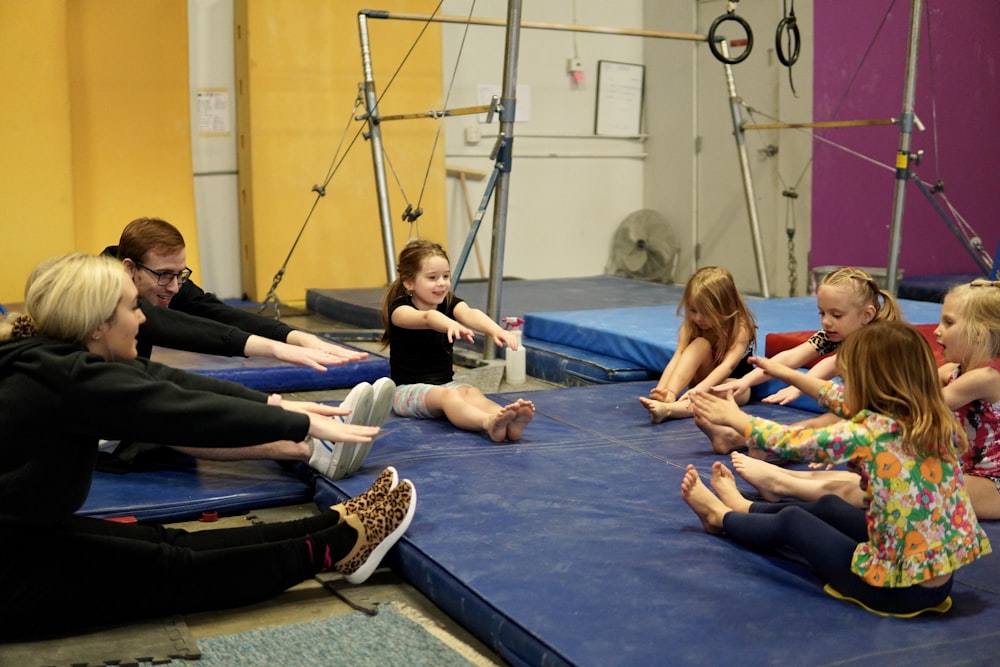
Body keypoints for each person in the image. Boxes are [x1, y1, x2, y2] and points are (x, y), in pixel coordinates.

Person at [0, 253, 417, 639]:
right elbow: (180, 411)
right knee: (176, 570)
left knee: (164, 543)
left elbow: (166, 381)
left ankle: (332, 522)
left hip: (27, 537)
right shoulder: (67, 378)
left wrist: (272, 404)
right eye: (132, 308)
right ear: (96, 325)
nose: (143, 318)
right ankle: (338, 547)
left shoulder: (48, 360)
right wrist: (298, 423)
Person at [680, 320, 991, 616]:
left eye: (847, 379)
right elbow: (843, 400)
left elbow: (794, 442)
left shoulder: (871, 433)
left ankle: (719, 518)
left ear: (870, 385)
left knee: (794, 520)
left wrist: (736, 419)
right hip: (936, 580)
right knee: (829, 505)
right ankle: (745, 507)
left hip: (897, 592)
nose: (842, 386)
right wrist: (787, 373)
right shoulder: (925, 416)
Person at [101, 216, 393, 471]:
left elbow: (214, 311)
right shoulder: (102, 292)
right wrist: (273, 349)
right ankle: (310, 450)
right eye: (166, 276)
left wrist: (295, 336)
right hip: (100, 426)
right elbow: (168, 326)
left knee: (183, 397)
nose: (175, 286)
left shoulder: (136, 268)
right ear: (130, 268)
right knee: (171, 414)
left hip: (128, 392)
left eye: (180, 275)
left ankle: (315, 436)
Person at [729, 279, 1000, 520]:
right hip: (968, 472)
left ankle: (782, 484)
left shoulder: (984, 378)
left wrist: (849, 435)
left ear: (979, 332)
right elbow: (889, 402)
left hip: (993, 485)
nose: (938, 331)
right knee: (871, 476)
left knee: (884, 488)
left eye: (949, 323)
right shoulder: (953, 372)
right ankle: (783, 479)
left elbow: (905, 411)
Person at [699, 266, 901, 454]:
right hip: (857, 410)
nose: (826, 321)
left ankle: (750, 439)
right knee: (817, 425)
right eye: (822, 313)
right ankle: (737, 438)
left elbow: (833, 363)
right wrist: (746, 381)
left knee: (817, 429)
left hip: (886, 423)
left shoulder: (875, 342)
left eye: (836, 315)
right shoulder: (836, 333)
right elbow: (791, 357)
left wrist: (799, 384)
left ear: (866, 315)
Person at [380, 239, 534, 442]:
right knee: (450, 397)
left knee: (472, 392)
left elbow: (470, 313)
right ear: (409, 282)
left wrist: (497, 331)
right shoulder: (400, 310)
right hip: (406, 392)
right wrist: (450, 325)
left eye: (446, 276)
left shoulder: (448, 302)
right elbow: (427, 318)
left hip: (446, 384)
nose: (442, 283)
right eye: (432, 277)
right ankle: (488, 422)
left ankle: (506, 419)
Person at [638, 266, 757, 423]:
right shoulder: (691, 326)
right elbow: (677, 358)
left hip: (731, 382)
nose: (699, 318)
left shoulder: (740, 328)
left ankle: (670, 410)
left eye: (706, 313)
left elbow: (727, 366)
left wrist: (699, 390)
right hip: (702, 379)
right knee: (699, 344)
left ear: (724, 308)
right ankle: (668, 401)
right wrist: (664, 390)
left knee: (738, 391)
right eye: (693, 310)